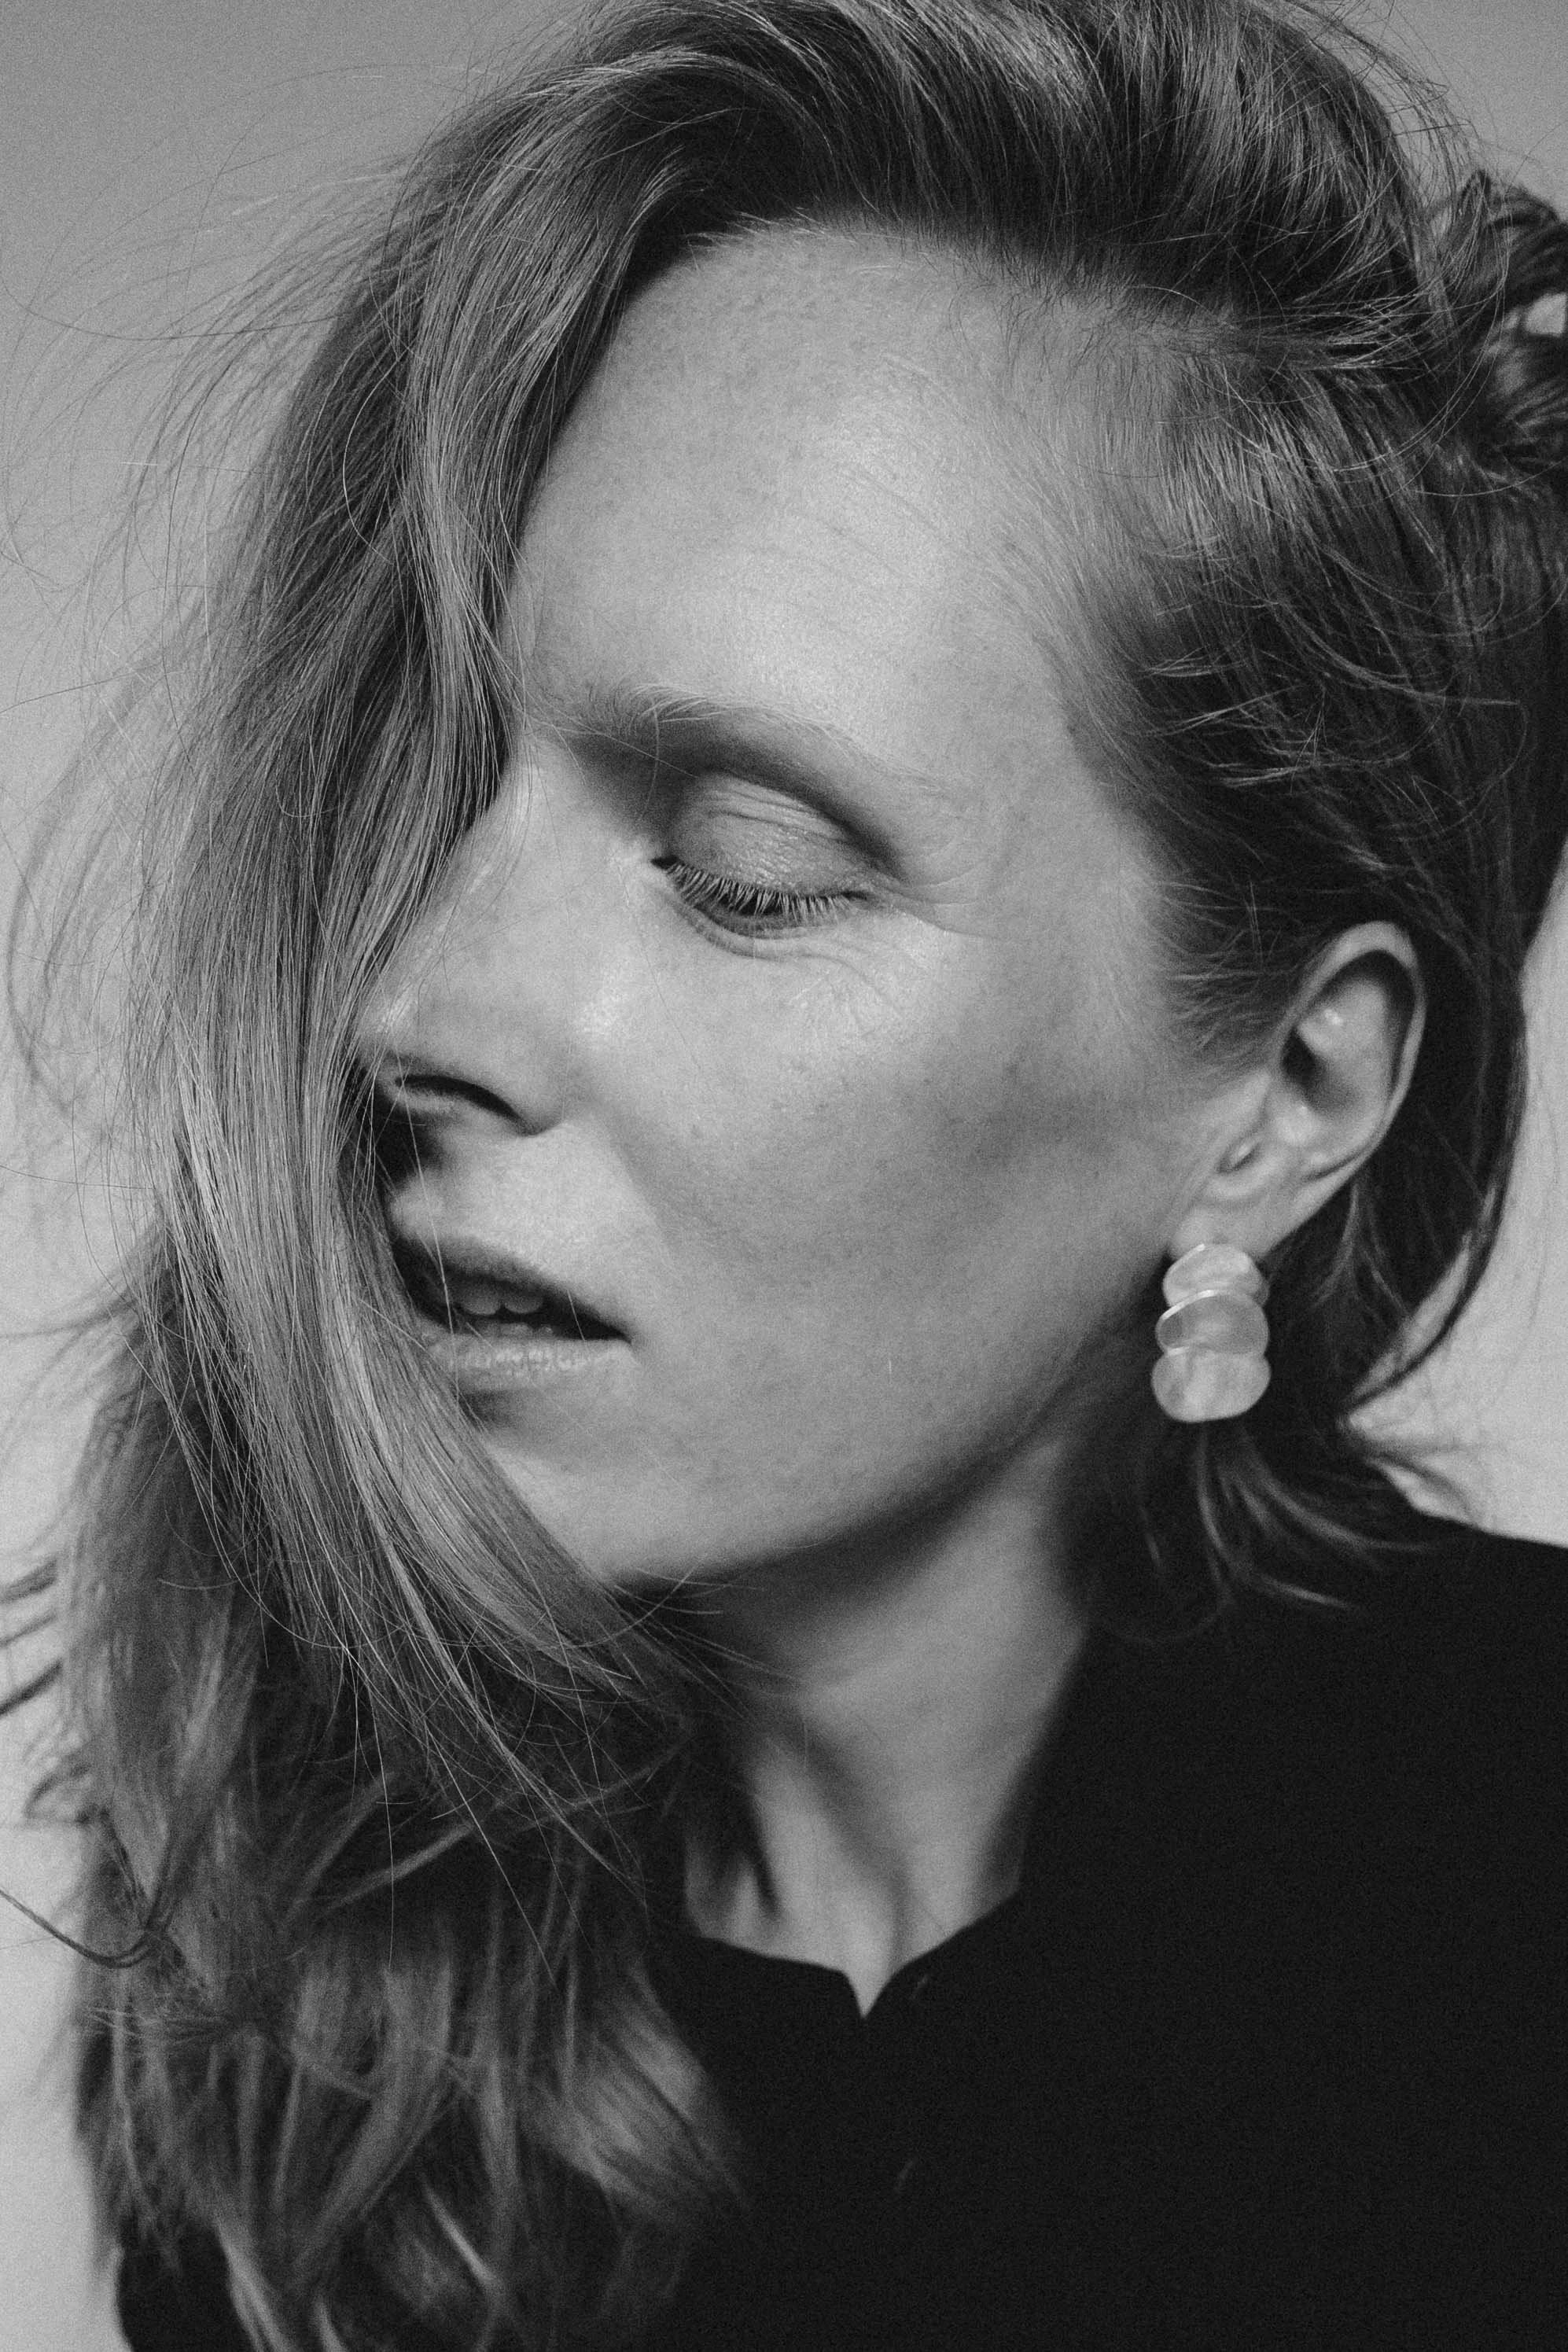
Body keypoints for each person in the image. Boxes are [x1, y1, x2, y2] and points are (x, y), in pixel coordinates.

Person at [4, 0, 1566, 2344]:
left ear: (1285, 1097)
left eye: (745, 870)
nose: (410, 1006)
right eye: (446, 784)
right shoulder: (301, 2027)